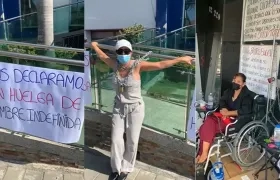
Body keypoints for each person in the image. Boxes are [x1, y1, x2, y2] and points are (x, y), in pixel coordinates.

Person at [91, 39, 194, 180]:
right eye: (120, 51)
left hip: (135, 109)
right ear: (116, 53)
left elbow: (159, 64)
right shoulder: (115, 65)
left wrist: (181, 59)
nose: (123, 54)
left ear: (131, 52)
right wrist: (94, 45)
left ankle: (126, 169)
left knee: (132, 141)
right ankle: (116, 169)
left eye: (126, 51)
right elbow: (103, 57)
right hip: (119, 108)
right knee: (116, 139)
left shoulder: (137, 66)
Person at [196, 73, 253, 164]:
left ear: (243, 84)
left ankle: (203, 153)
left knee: (207, 126)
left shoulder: (247, 96)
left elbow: (244, 110)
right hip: (223, 116)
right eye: (234, 80)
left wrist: (229, 113)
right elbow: (222, 101)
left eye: (238, 81)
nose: (235, 82)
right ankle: (203, 153)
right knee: (209, 121)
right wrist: (224, 108)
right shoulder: (229, 91)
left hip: (235, 121)